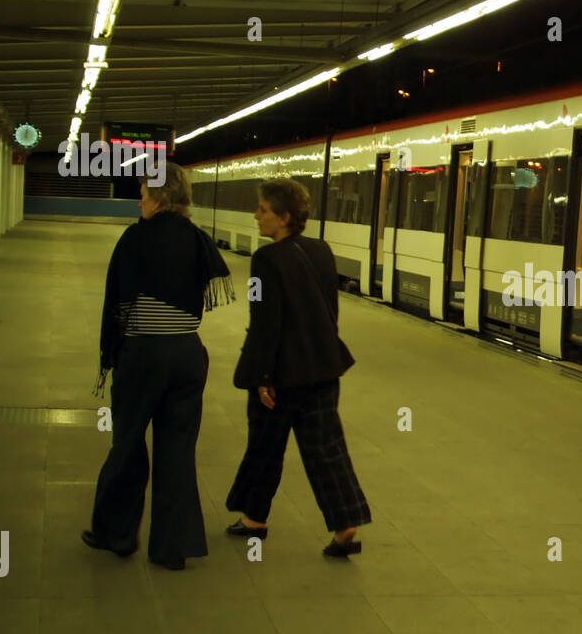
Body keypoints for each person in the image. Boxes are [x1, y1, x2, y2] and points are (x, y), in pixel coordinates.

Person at [84, 163, 234, 570]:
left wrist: (113, 353)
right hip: (188, 355)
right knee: (178, 450)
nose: (140, 202)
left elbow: (118, 303)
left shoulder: (136, 239)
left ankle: (116, 534)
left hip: (144, 356)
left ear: (160, 199)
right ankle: (173, 547)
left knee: (128, 443)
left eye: (144, 195)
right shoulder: (198, 240)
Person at [225, 177, 372, 557]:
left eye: (263, 210)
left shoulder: (265, 260)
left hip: (281, 377)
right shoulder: (321, 251)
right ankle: (345, 525)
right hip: (323, 369)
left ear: (284, 216)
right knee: (326, 449)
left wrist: (262, 377)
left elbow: (264, 320)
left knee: (264, 446)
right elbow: (329, 310)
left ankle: (254, 520)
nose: (256, 216)